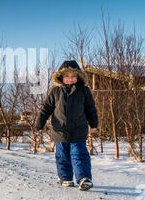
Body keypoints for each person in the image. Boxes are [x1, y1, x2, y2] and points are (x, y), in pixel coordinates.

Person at [36, 60, 99, 191]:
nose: (70, 79)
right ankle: (65, 178)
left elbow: (90, 108)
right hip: (60, 131)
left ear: (78, 77)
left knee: (80, 155)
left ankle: (84, 178)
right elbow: (47, 108)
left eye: (73, 76)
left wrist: (93, 122)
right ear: (61, 77)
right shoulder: (55, 92)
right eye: (67, 76)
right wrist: (40, 121)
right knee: (62, 156)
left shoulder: (84, 91)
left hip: (78, 131)